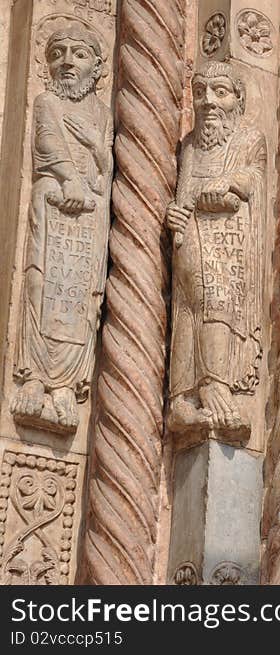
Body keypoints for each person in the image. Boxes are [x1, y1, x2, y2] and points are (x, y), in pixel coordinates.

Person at [12, 26, 113, 432]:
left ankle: (65, 386)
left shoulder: (103, 115)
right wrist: (69, 177)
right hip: (54, 201)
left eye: (79, 54)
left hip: (89, 214)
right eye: (58, 54)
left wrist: (93, 146)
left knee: (82, 298)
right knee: (40, 284)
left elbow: (108, 168)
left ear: (98, 66)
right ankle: (35, 379)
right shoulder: (47, 101)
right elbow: (47, 142)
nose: (67, 62)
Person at [165, 61, 266, 433]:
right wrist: (176, 213)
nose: (208, 102)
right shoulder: (191, 144)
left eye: (219, 92)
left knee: (219, 305)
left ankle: (215, 385)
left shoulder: (248, 139)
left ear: (237, 99)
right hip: (193, 235)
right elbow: (184, 189)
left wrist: (228, 183)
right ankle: (182, 397)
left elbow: (253, 177)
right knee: (190, 305)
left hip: (229, 241)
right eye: (200, 93)